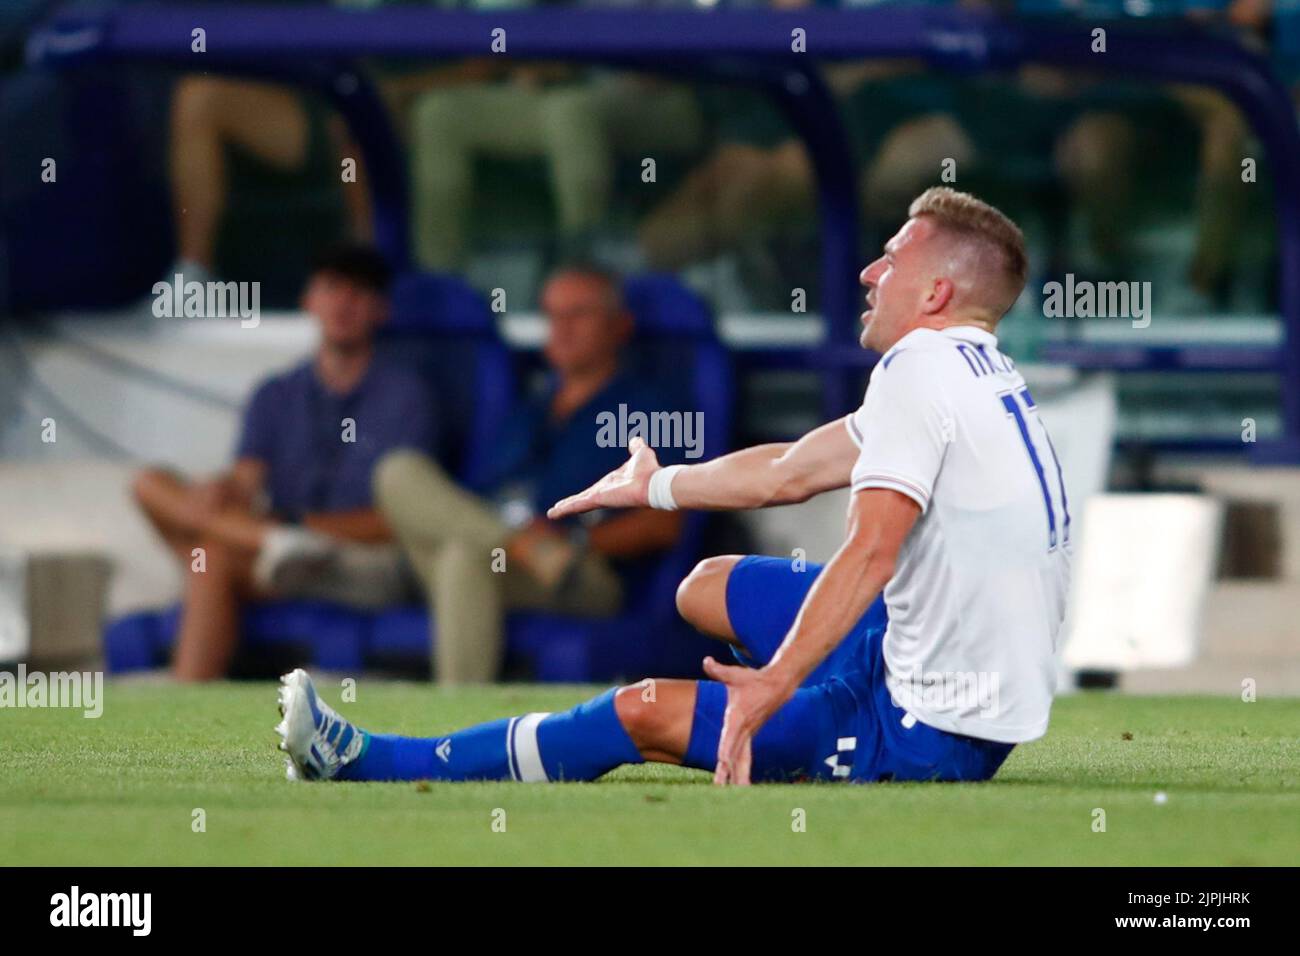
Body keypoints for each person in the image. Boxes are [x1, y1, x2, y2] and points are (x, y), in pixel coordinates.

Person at [276, 188, 1072, 786]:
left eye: (892, 256)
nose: (869, 270)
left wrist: (771, 683)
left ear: (934, 293)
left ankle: (371, 761)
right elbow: (792, 471)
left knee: (642, 710)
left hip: (926, 729)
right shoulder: (976, 371)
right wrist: (659, 486)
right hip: (948, 674)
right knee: (705, 588)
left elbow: (871, 553)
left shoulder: (916, 371)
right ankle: (801, 710)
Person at [371, 264, 687, 684]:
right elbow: (480, 497)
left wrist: (574, 540)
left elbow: (663, 525)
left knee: (462, 556)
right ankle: (520, 546)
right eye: (553, 316)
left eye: (579, 314)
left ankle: (455, 722)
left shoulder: (652, 408)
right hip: (508, 551)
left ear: (619, 327)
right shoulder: (529, 407)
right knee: (398, 471)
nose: (562, 328)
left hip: (581, 569)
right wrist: (521, 541)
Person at [133, 244, 437, 680]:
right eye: (332, 288)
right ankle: (267, 539)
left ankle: (180, 706)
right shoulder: (275, 393)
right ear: (308, 301)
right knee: (149, 482)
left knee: (210, 555)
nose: (343, 303)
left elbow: (405, 519)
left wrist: (302, 528)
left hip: (361, 558)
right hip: (278, 548)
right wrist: (221, 489)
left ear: (381, 310)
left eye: (359, 292)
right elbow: (245, 482)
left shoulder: (408, 397)